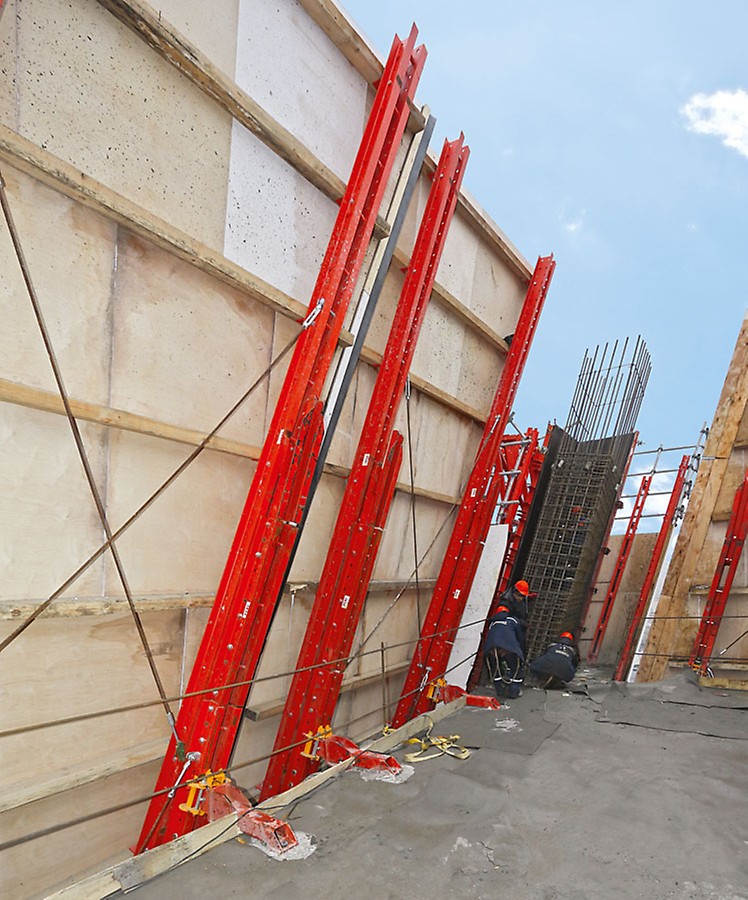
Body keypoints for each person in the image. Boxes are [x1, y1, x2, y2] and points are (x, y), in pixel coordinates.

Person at [483, 605, 526, 700]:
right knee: (515, 669)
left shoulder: (493, 623)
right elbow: (520, 636)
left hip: (492, 648)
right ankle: (513, 693)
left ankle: (500, 691)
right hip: (509, 647)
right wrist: (520, 651)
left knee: (495, 669)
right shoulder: (513, 620)